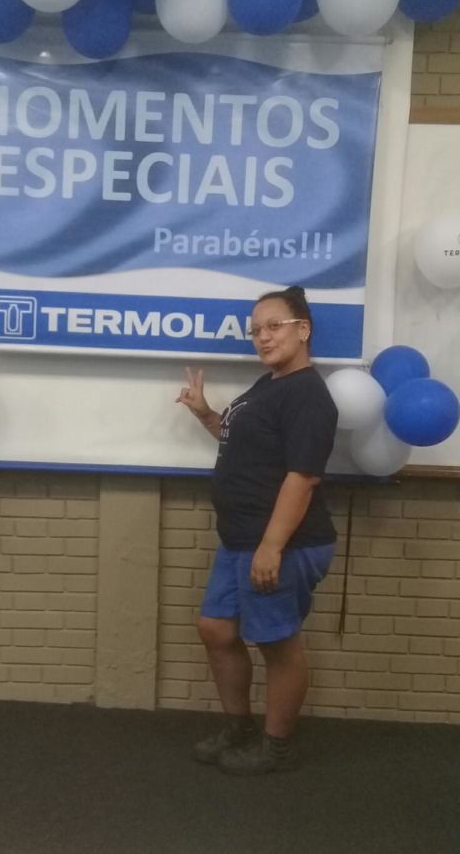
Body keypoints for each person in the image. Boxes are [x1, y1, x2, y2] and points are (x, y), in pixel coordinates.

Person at [176, 285, 338, 775]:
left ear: (303, 329)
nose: (262, 337)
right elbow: (240, 441)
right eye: (255, 331)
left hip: (282, 542)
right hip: (240, 539)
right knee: (216, 628)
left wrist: (272, 546)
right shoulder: (268, 386)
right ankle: (239, 728)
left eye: (274, 326)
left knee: (276, 643)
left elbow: (303, 477)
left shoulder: (308, 394)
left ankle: (276, 746)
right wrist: (206, 414)